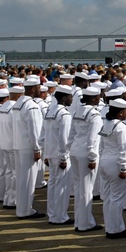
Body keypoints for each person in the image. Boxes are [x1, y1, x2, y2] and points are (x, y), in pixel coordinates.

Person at [67, 86, 103, 232]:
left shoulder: (77, 111)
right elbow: (93, 139)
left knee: (78, 188)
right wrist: (92, 157)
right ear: (94, 98)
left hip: (75, 151)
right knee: (86, 190)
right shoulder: (94, 115)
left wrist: (70, 147)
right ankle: (85, 223)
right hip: (86, 154)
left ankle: (79, 221)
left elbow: (71, 134)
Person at [98, 97, 126, 239]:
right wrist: (124, 168)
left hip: (105, 161)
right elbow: (123, 149)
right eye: (125, 111)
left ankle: (110, 227)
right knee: (117, 198)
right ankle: (116, 229)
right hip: (116, 163)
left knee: (108, 198)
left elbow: (101, 146)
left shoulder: (106, 124)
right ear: (120, 113)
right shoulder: (121, 127)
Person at [14, 77, 44, 219]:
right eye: (39, 87)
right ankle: (25, 210)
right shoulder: (31, 105)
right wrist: (37, 148)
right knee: (28, 180)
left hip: (19, 145)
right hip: (28, 147)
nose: (40, 90)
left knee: (21, 179)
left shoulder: (18, 103)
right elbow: (35, 130)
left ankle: (22, 208)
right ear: (33, 89)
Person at [43, 85, 74, 226]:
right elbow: (64, 138)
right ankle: (60, 216)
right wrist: (64, 156)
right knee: (62, 186)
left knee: (53, 184)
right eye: (70, 97)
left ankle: (52, 213)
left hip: (51, 152)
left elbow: (42, 135)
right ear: (63, 98)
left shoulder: (50, 111)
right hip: (60, 154)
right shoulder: (64, 114)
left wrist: (45, 153)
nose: (71, 99)